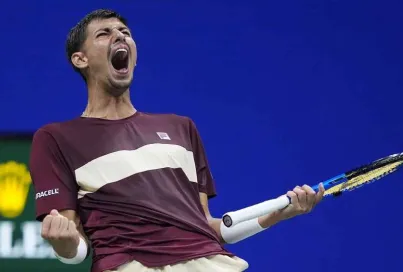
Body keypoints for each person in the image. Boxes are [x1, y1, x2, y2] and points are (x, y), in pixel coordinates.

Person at [29, 9, 325, 272]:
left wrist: (279, 214)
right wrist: (63, 243)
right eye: (104, 33)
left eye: (125, 33)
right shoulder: (56, 138)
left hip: (211, 263)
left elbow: (210, 227)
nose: (119, 36)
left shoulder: (181, 128)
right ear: (80, 59)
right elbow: (75, 247)